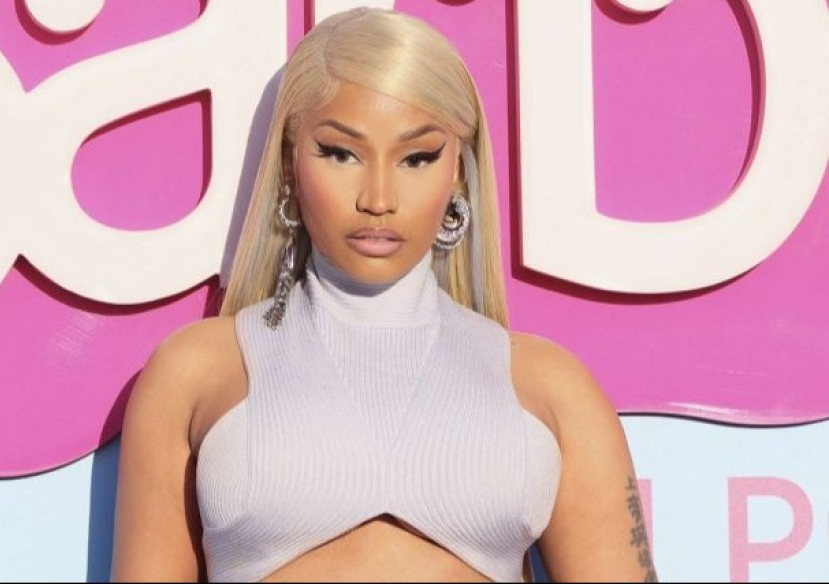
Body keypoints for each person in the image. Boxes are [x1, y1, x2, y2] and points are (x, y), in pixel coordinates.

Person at [110, 7, 657, 583]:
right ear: (291, 161)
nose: (378, 198)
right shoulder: (196, 373)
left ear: (458, 170)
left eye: (417, 157)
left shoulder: (551, 389)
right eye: (340, 153)